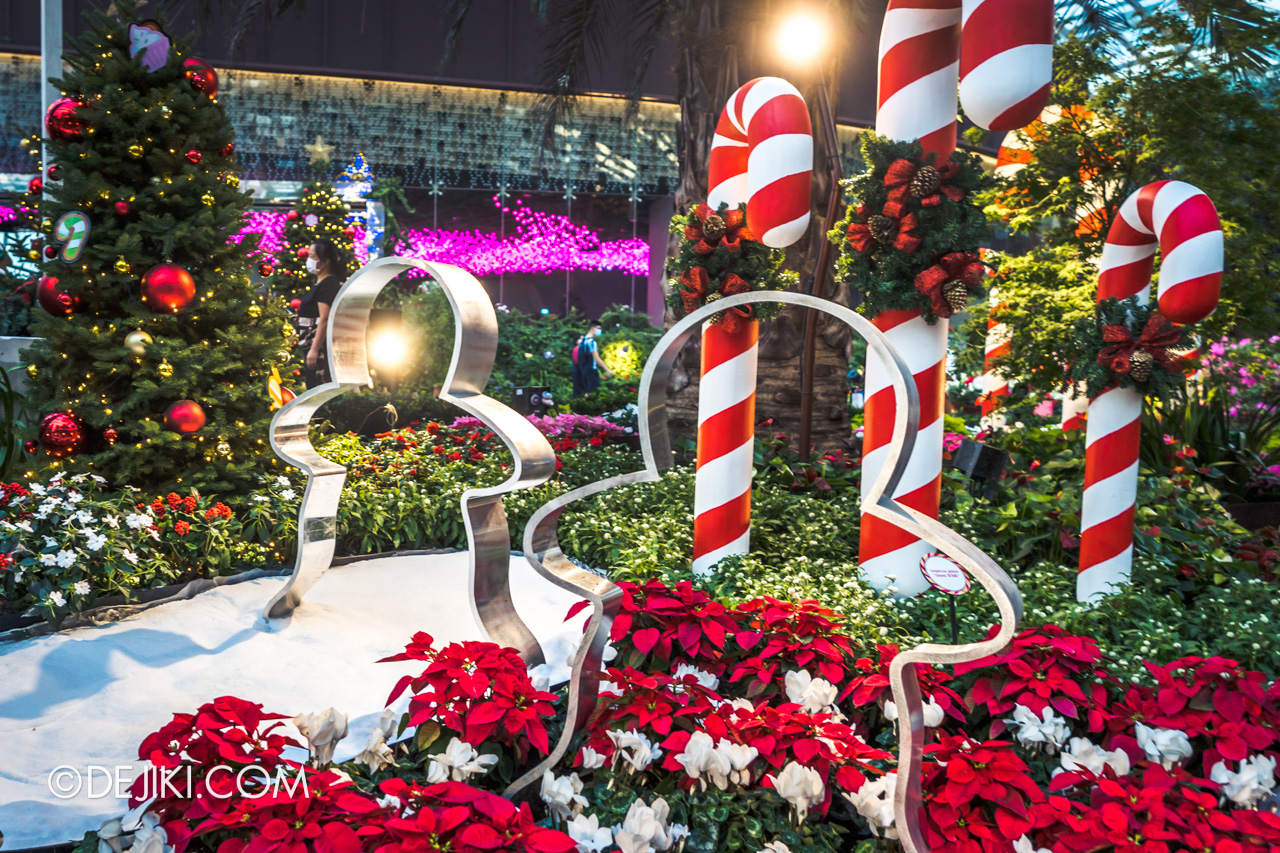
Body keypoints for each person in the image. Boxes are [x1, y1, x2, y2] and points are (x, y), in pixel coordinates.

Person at [297, 238, 345, 389]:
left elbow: (324, 319)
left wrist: (314, 349)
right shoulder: (320, 283)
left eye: (312, 257)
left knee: (318, 386)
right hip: (309, 343)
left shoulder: (329, 284)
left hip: (318, 347)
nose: (308, 261)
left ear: (325, 262)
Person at [572, 320, 613, 396]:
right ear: (593, 328)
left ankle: (584, 406)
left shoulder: (583, 341)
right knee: (592, 392)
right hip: (591, 369)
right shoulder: (591, 342)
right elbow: (596, 358)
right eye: (598, 328)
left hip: (583, 369)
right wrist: (607, 370)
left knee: (587, 392)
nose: (599, 330)